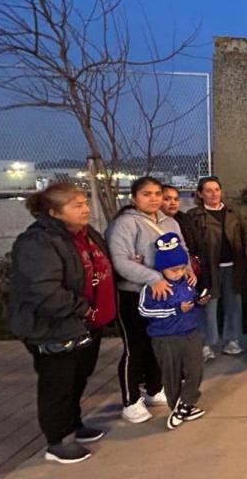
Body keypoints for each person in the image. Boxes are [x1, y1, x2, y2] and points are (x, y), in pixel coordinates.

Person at [5, 183, 115, 464]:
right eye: (76, 205)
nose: (85, 209)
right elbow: (44, 291)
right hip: (53, 326)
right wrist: (84, 310)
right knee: (58, 382)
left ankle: (74, 423)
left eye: (85, 202)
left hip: (85, 321)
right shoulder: (38, 242)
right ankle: (58, 440)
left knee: (79, 375)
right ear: (54, 212)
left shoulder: (84, 233)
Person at [107, 176, 195, 424]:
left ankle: (155, 388)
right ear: (134, 198)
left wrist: (187, 268)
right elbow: (121, 261)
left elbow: (182, 249)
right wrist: (153, 278)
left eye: (157, 193)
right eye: (147, 194)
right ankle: (130, 400)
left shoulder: (170, 222)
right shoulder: (125, 224)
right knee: (135, 348)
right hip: (135, 294)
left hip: (165, 295)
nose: (154, 198)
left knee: (159, 343)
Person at [138, 232, 209, 430]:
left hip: (190, 332)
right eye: (173, 270)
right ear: (162, 269)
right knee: (171, 373)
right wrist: (175, 309)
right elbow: (144, 310)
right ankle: (177, 405)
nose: (179, 273)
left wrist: (199, 302)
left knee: (196, 370)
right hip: (165, 337)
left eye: (181, 268)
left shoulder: (187, 282)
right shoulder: (153, 287)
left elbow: (192, 302)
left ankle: (186, 403)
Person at [187, 176, 247, 360]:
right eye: (208, 190)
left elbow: (245, 237)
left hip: (233, 266)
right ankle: (206, 343)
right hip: (208, 268)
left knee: (234, 305)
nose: (214, 194)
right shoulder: (194, 215)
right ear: (200, 193)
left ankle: (232, 340)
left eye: (217, 189)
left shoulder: (233, 213)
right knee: (208, 306)